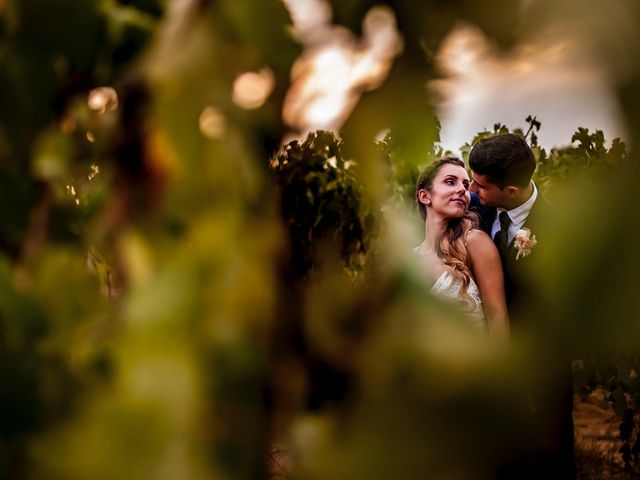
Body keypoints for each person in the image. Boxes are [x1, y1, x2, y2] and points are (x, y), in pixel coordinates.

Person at [469, 133, 575, 479]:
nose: (471, 189)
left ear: (510, 191)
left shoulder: (560, 231)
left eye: (480, 185)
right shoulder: (477, 211)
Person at [415, 156, 509, 339]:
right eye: (450, 182)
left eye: (465, 186)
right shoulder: (410, 259)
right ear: (425, 196)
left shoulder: (475, 242)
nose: (462, 189)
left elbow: (498, 320)